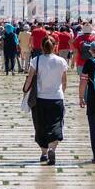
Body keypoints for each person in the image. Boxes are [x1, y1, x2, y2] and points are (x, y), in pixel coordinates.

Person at [24, 36, 68, 165]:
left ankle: (43, 153)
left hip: (40, 99)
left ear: (42, 47)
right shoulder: (61, 61)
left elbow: (29, 79)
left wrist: (25, 91)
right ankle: (52, 149)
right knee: (56, 124)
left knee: (40, 126)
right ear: (55, 46)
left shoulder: (36, 60)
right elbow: (64, 82)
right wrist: (61, 93)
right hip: (57, 98)